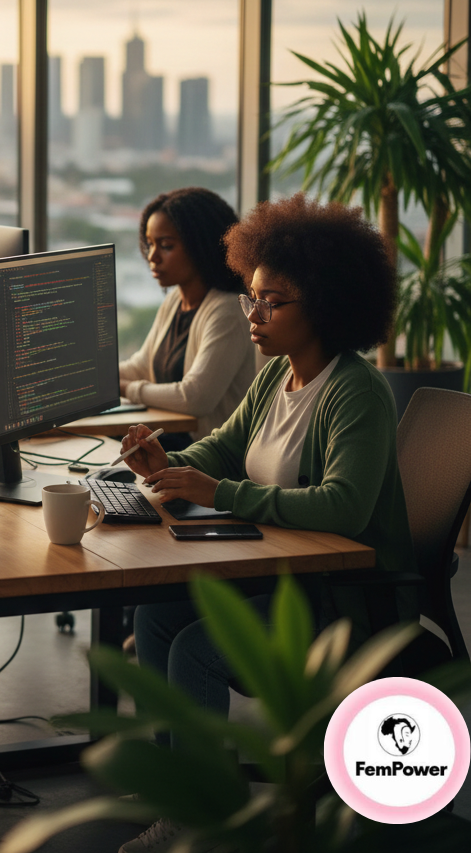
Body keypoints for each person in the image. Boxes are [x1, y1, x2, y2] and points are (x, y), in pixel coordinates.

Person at [114, 194, 415, 853]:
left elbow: (344, 507)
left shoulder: (354, 391)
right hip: (284, 575)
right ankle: (180, 786)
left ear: (327, 305)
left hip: (341, 603)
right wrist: (165, 461)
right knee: (155, 614)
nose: (253, 313)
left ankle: (204, 817)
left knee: (194, 643)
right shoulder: (277, 372)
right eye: (253, 296)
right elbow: (220, 448)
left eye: (272, 301)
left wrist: (222, 491)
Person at [119, 187, 255, 450]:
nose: (152, 257)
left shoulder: (228, 311)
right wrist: (91, 380)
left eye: (166, 246)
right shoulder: (175, 301)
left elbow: (194, 397)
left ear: (201, 246)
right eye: (150, 244)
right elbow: (142, 366)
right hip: (175, 443)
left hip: (209, 459)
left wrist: (127, 389)